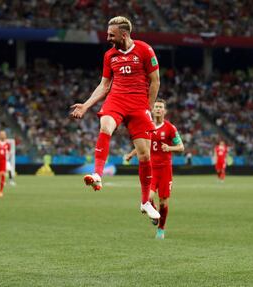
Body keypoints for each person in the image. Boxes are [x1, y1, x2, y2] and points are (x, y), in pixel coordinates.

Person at [70, 16, 160, 220]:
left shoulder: (145, 50)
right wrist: (85, 105)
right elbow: (104, 85)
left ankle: (146, 202)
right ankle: (97, 174)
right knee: (105, 126)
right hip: (117, 99)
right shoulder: (109, 55)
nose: (108, 37)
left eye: (111, 34)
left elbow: (155, 81)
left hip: (139, 104)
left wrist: (148, 107)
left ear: (124, 34)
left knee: (145, 155)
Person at [126, 99, 184, 239]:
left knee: (163, 202)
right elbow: (142, 145)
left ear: (164, 111)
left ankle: (161, 229)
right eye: (156, 107)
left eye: (161, 107)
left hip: (165, 170)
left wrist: (169, 148)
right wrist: (131, 154)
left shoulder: (171, 128)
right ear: (152, 110)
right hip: (151, 170)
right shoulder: (147, 126)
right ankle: (154, 214)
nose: (158, 109)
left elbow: (181, 147)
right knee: (149, 197)